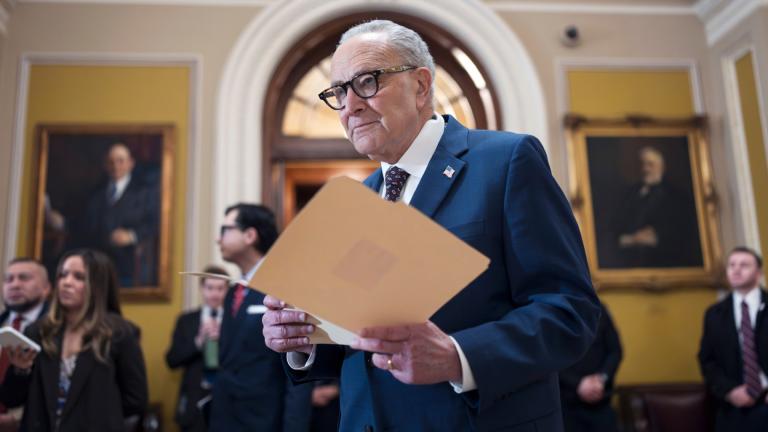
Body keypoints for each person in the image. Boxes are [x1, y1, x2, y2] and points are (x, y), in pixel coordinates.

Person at [261, 20, 599, 431]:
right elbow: (361, 340)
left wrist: (459, 356)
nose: (349, 105)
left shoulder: (507, 161)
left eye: (367, 82)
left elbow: (569, 311)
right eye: (338, 92)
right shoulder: (356, 200)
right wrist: (303, 338)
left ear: (421, 85)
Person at [0, 249, 148, 432]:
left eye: (79, 277)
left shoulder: (119, 333)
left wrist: (98, 417)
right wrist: (21, 369)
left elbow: (136, 400)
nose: (66, 282)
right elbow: (11, 398)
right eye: (62, 275)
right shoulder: (39, 331)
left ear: (98, 285)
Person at [211, 203, 311, 432]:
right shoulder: (233, 292)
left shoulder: (282, 286)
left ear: (249, 235)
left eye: (225, 230)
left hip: (265, 421)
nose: (219, 239)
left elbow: (298, 372)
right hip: (225, 418)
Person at [699, 246, 768, 431]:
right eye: (732, 265)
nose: (736, 270)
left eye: (744, 265)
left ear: (759, 273)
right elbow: (707, 361)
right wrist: (729, 392)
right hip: (732, 410)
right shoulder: (714, 314)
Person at [602, 146, 701, 268]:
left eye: (650, 164)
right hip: (629, 264)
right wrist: (631, 239)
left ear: (662, 167)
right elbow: (613, 228)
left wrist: (656, 237)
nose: (645, 169)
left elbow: (685, 234)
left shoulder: (678, 197)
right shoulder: (628, 195)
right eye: (642, 164)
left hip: (666, 264)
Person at [83, 143, 159, 287]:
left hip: (130, 264)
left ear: (130, 163)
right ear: (105, 165)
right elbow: (88, 226)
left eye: (120, 161)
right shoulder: (96, 193)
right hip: (99, 263)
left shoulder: (144, 193)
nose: (115, 166)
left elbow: (154, 223)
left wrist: (131, 236)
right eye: (111, 162)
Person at [166, 265, 229, 432]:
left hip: (228, 401)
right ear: (202, 288)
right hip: (193, 403)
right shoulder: (186, 320)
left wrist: (223, 340)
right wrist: (197, 343)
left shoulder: (234, 319)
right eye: (210, 288)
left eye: (220, 288)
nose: (215, 294)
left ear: (227, 290)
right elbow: (171, 360)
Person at [0, 258, 52, 431]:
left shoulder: (59, 329)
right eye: (8, 279)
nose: (14, 285)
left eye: (24, 278)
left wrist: (18, 420)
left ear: (46, 289)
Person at [559, 302, 623, 432]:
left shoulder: (600, 310)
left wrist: (601, 378)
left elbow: (615, 351)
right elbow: (549, 358)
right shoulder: (551, 312)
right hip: (566, 405)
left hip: (600, 400)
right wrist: (578, 384)